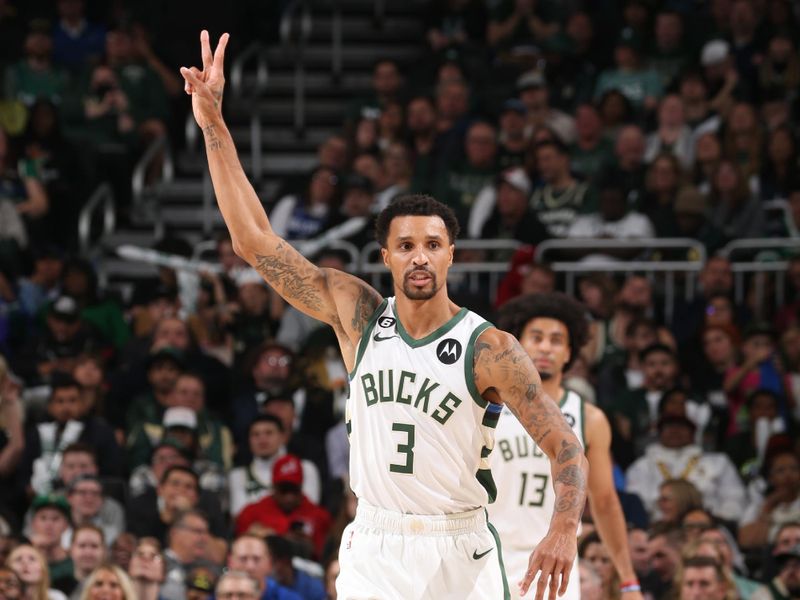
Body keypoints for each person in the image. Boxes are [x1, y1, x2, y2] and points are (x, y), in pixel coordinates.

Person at [181, 30, 588, 600]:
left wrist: (564, 530)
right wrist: (213, 125)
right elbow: (255, 242)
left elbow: (566, 446)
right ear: (386, 257)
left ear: (451, 253)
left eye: (431, 243)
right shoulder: (359, 316)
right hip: (375, 540)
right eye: (405, 245)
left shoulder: (489, 348)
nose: (419, 255)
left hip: (460, 543)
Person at [491, 292, 642, 599]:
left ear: (569, 352)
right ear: (517, 343)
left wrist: (628, 579)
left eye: (556, 340)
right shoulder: (487, 405)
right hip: (484, 554)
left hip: (554, 559)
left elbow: (604, 500)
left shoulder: (589, 417)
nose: (546, 346)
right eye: (536, 337)